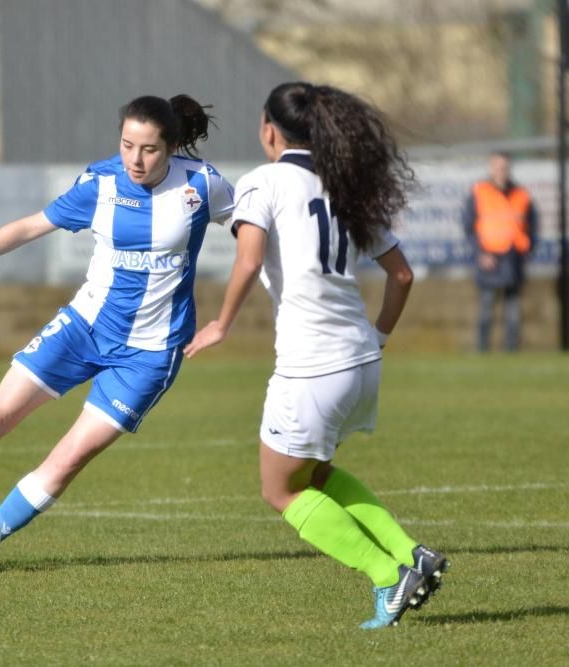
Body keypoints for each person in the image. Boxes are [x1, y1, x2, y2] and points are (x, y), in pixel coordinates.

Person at [0, 94, 234, 544]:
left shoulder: (203, 186)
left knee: (68, 457)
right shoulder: (101, 182)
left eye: (148, 149)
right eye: (127, 144)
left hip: (150, 354)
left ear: (170, 147)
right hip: (82, 328)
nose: (135, 158)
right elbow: (29, 226)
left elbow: (253, 231)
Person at [184, 82, 448, 630]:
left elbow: (250, 259)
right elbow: (402, 275)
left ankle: (386, 574)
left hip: (312, 366)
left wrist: (219, 324)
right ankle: (410, 554)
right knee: (318, 475)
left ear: (269, 130)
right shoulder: (344, 186)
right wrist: (378, 337)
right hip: (360, 358)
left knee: (279, 489)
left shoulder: (265, 180)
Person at [461, 151, 538, 352]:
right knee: (486, 310)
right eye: (497, 167)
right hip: (489, 258)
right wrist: (480, 253)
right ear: (491, 168)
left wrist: (527, 251)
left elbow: (532, 227)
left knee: (513, 312)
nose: (501, 171)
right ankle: (482, 350)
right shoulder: (480, 191)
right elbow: (468, 226)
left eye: (504, 167)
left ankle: (511, 352)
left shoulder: (521, 194)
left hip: (513, 259)